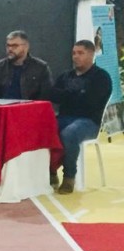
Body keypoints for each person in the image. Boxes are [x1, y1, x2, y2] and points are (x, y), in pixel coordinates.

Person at [49, 40, 112, 194]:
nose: (76, 57)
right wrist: (76, 94)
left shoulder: (101, 77)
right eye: (74, 53)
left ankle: (69, 177)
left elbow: (90, 102)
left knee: (69, 133)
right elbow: (53, 95)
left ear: (91, 54)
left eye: (80, 53)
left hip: (89, 121)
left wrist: (67, 95)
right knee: (43, 129)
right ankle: (50, 172)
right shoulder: (65, 76)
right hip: (64, 117)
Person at [0, 30, 52, 100]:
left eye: (14, 46)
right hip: (2, 106)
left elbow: (46, 96)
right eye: (8, 45)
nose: (10, 49)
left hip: (29, 106)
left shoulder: (40, 68)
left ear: (26, 47)